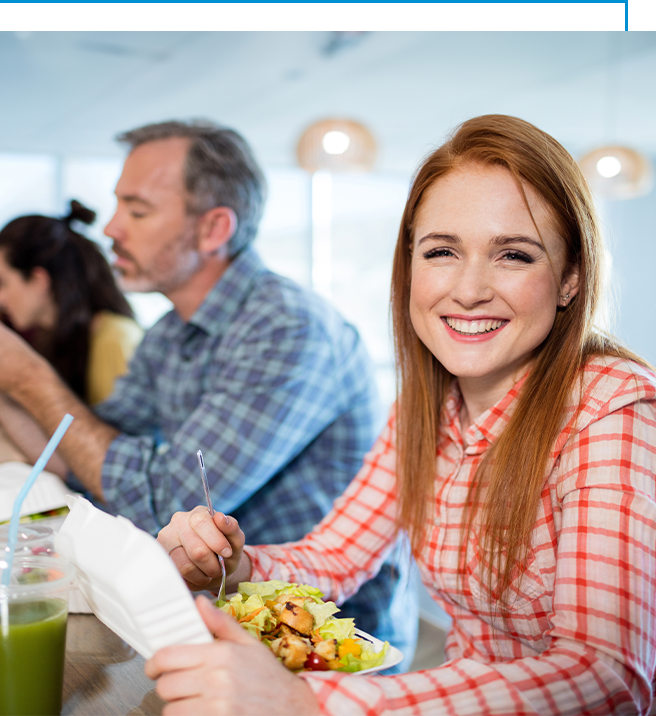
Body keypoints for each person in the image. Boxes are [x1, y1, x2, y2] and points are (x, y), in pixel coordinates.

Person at [151, 114, 656, 716]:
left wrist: (311, 703)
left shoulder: (613, 411)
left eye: (514, 255)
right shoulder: (428, 406)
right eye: (442, 251)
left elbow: (606, 676)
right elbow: (336, 555)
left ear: (570, 278)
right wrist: (233, 562)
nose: (468, 289)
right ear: (410, 265)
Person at [0, 120, 418, 662]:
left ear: (213, 229)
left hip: (318, 639)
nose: (110, 228)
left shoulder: (287, 328)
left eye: (137, 209)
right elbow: (74, 451)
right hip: (216, 612)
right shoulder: (171, 332)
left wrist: (25, 374)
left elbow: (166, 501)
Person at [0, 200, 144, 467]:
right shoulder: (52, 337)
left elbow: (115, 460)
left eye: (1, 283)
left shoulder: (115, 338)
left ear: (38, 280)